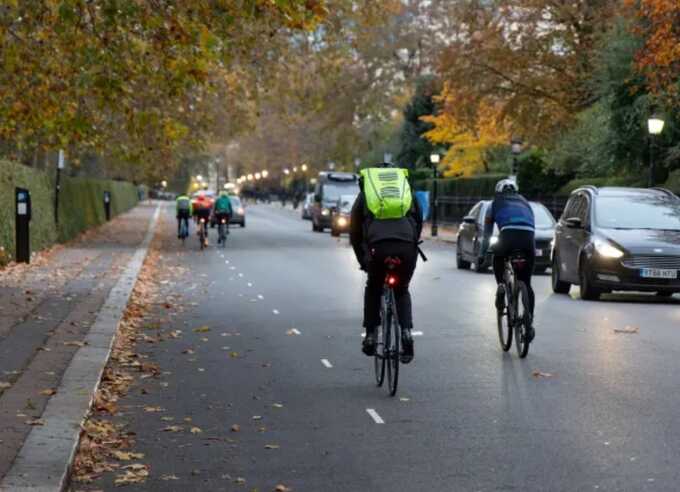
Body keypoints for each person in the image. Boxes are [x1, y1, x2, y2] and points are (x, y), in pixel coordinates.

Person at [350, 163, 423, 363]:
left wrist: (363, 260)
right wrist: (411, 243)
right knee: (402, 289)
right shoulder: (405, 191)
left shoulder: (367, 193)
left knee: (373, 287)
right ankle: (407, 333)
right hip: (406, 246)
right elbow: (419, 220)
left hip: (378, 248)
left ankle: (371, 335)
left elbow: (355, 232)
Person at [480, 178, 536, 342]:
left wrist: (484, 254)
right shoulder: (526, 203)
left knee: (498, 256)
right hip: (528, 239)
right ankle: (529, 323)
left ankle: (501, 286)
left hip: (508, 236)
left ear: (498, 192)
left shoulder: (493, 204)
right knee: (526, 282)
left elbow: (487, 234)